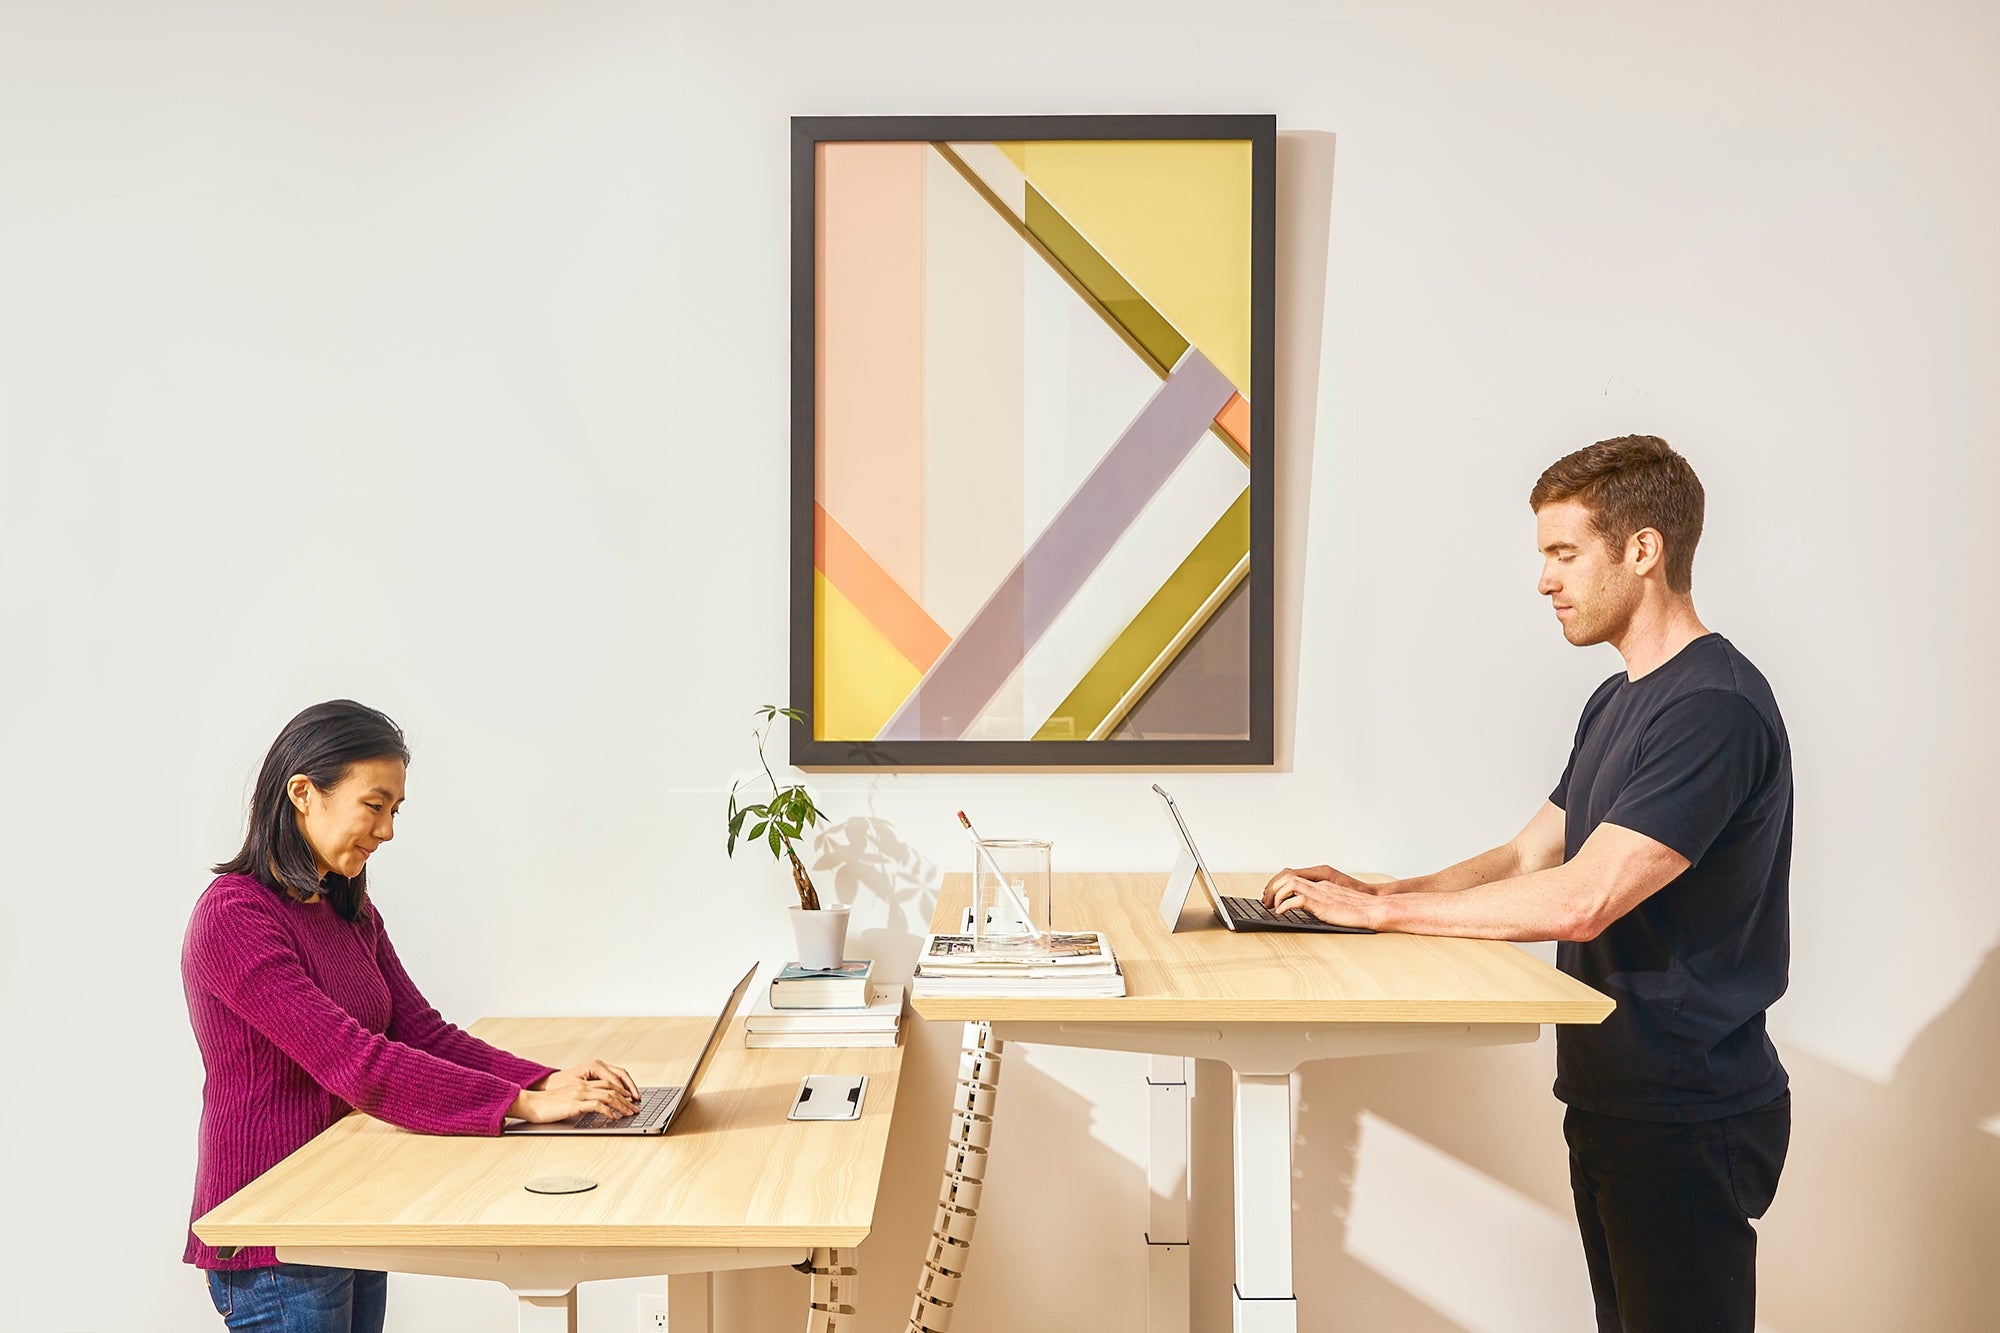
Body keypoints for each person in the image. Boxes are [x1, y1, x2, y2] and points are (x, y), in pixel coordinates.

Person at [1264, 436, 1791, 1333]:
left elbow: (1586, 896)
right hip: (1610, 1089)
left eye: (1563, 552)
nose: (1544, 580)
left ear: (1642, 549)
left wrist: (1387, 914)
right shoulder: (1618, 699)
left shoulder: (1714, 709)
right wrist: (1375, 889)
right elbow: (1526, 858)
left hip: (1685, 1106)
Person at [184, 699, 643, 1333]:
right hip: (274, 1236)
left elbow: (421, 1032)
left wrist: (546, 1080)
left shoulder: (345, 908)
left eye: (395, 811)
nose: (388, 830)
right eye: (374, 806)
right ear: (302, 793)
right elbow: (355, 1062)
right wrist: (521, 1106)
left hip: (345, 1208)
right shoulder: (234, 917)